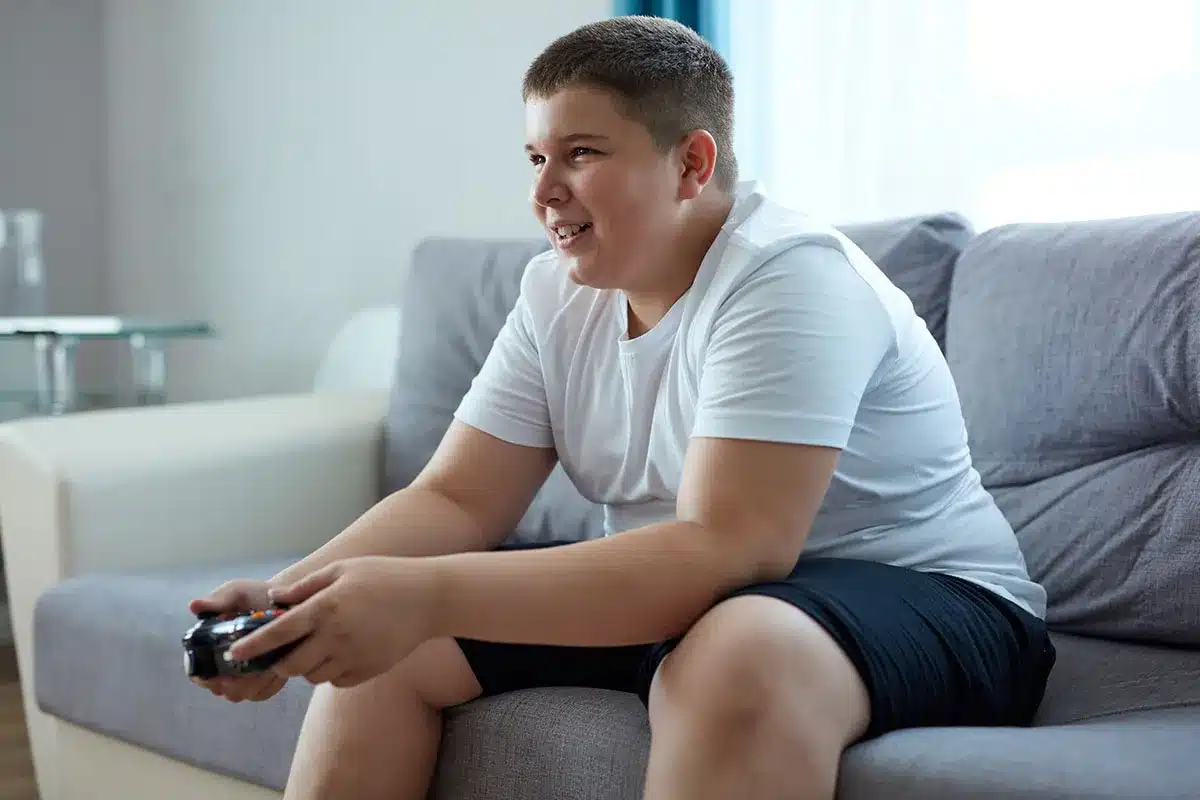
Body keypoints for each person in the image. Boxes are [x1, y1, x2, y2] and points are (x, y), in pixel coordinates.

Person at [190, 15, 1055, 800]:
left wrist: (422, 593)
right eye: (537, 158)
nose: (544, 193)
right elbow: (456, 498)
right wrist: (292, 601)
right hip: (707, 594)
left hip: (928, 596)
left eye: (583, 154)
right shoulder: (554, 296)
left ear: (692, 162)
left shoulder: (789, 277)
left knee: (736, 649)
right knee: (383, 653)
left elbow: (732, 546)